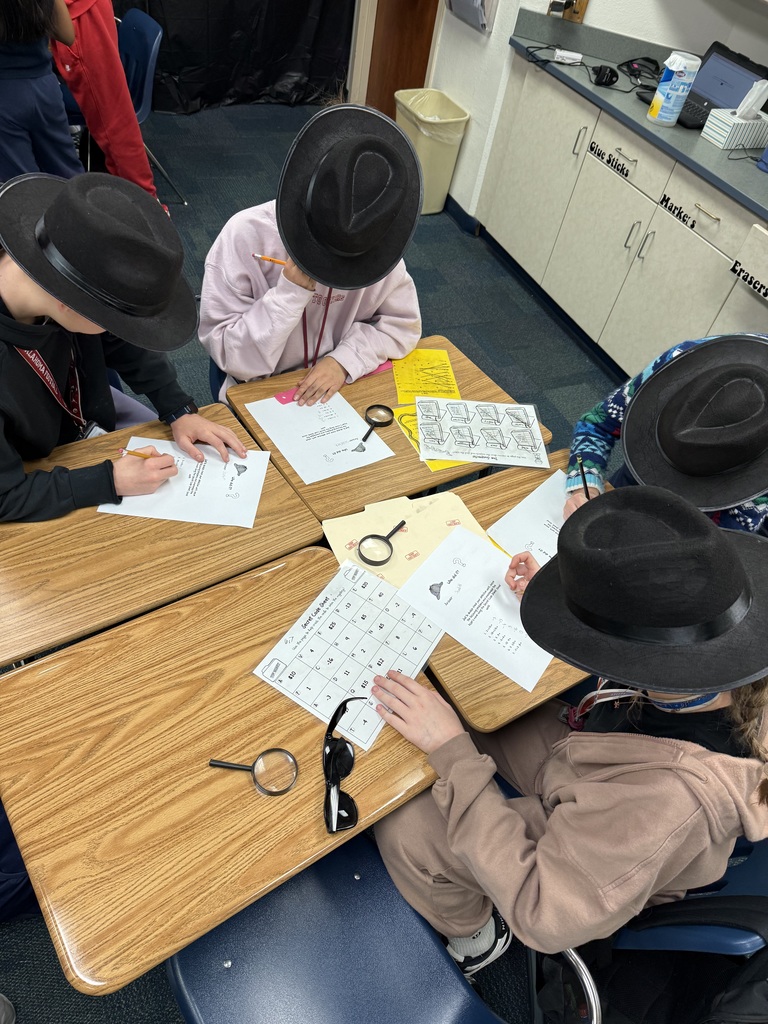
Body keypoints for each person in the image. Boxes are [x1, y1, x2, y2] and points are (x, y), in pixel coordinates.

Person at [371, 486, 768, 975]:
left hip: (606, 843)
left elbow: (544, 916)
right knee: (481, 709)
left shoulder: (665, 807)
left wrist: (452, 750)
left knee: (404, 827)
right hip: (603, 759)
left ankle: (475, 937)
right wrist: (575, 610)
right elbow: (655, 630)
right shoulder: (712, 672)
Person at [0, 170, 246, 523]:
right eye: (114, 319)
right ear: (69, 301)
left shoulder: (63, 262)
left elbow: (113, 337)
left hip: (81, 411)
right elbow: (5, 497)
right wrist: (108, 480)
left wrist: (178, 408)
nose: (122, 329)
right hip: (29, 461)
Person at [199, 104, 423, 407]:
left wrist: (342, 361)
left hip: (338, 386)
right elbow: (228, 353)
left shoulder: (377, 245)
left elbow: (402, 326)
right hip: (259, 386)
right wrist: (288, 295)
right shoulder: (245, 235)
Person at [563, 334, 768, 531]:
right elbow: (597, 424)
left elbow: (737, 544)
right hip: (635, 485)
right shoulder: (682, 361)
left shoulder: (754, 497)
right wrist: (585, 488)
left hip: (712, 526)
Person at [51, 0, 158, 197]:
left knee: (114, 124)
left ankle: (147, 204)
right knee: (113, 121)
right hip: (76, 13)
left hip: (80, 17)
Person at [0, 0, 84, 181]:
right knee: (68, 176)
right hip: (45, 90)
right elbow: (67, 35)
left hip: (6, 97)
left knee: (22, 189)